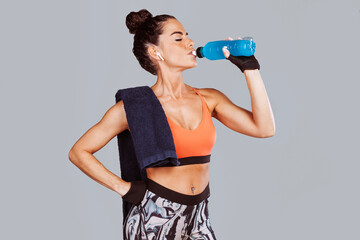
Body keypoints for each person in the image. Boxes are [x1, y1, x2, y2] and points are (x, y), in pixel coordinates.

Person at [68, 8, 275, 240]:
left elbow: (264, 128)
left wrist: (251, 70)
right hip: (153, 218)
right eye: (179, 38)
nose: (190, 43)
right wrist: (124, 188)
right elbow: (79, 152)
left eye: (188, 35)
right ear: (155, 52)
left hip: (199, 217)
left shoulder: (209, 99)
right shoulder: (135, 107)